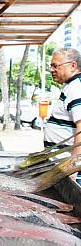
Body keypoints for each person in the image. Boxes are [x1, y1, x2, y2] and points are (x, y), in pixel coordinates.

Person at [43, 47, 81, 184]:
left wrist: (73, 169)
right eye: (50, 66)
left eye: (55, 66)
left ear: (73, 66)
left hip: (70, 173)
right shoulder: (71, 86)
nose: (51, 70)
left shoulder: (76, 88)